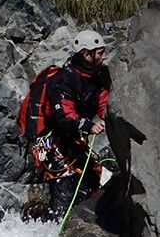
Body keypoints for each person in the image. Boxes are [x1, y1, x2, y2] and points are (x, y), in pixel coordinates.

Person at [42, 29, 111, 219]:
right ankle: (52, 235)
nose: (104, 56)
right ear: (86, 55)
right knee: (62, 201)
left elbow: (103, 103)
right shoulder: (65, 79)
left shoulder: (95, 78)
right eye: (100, 53)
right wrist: (89, 126)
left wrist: (111, 118)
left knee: (89, 190)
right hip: (55, 145)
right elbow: (64, 115)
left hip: (76, 144)